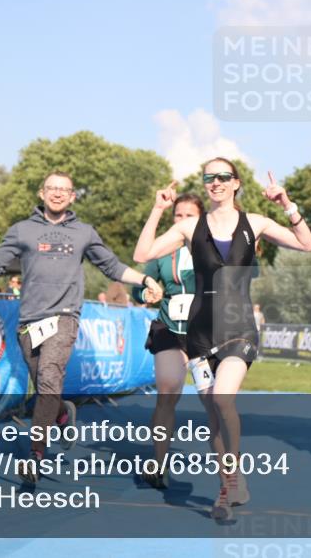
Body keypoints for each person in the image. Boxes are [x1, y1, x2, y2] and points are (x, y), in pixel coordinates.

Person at [0, 170, 163, 483]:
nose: (57, 193)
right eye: (51, 188)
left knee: (50, 376)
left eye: (64, 189)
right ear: (42, 193)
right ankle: (62, 413)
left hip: (66, 317)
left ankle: (35, 455)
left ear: (72, 196)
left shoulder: (83, 232)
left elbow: (111, 265)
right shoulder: (22, 230)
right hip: (29, 322)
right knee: (44, 388)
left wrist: (145, 278)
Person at [134, 158, 311, 520]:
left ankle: (229, 485)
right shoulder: (189, 227)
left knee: (222, 397)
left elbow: (307, 244)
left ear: (235, 183)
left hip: (239, 328)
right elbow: (142, 255)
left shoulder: (257, 223)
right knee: (214, 418)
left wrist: (287, 205)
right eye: (208, 178)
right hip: (200, 333)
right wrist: (157, 210)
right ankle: (230, 483)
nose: (215, 183)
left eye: (222, 177)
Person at [130, 193, 204, 490]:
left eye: (189, 216)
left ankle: (229, 470)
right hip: (169, 328)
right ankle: (159, 465)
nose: (183, 221)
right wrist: (145, 293)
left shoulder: (212, 249)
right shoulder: (163, 252)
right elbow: (140, 284)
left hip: (205, 331)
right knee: (168, 391)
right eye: (178, 216)